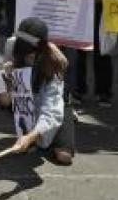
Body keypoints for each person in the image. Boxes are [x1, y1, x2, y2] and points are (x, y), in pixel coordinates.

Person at [7, 17, 75, 165]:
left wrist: (31, 136)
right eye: (24, 51)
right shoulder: (13, 46)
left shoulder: (53, 65)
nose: (28, 55)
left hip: (57, 105)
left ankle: (54, 135)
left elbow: (51, 112)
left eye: (31, 52)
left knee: (64, 157)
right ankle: (38, 137)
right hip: (29, 104)